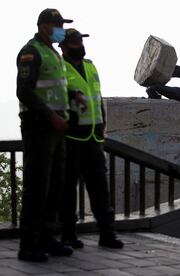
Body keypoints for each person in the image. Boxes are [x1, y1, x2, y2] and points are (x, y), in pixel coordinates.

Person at [16, 8, 85, 262]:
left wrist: (73, 96)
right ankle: (28, 244)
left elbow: (54, 88)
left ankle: (47, 238)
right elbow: (24, 91)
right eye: (57, 25)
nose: (61, 30)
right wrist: (51, 116)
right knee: (37, 186)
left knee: (55, 186)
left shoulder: (54, 54)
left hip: (57, 129)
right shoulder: (30, 52)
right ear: (44, 26)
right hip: (39, 126)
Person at [58, 28, 123, 249]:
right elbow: (55, 95)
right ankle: (68, 234)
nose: (80, 45)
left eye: (80, 41)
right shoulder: (59, 68)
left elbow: (97, 97)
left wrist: (103, 124)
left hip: (94, 136)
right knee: (68, 189)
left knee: (99, 188)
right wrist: (73, 95)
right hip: (71, 137)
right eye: (75, 42)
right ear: (64, 46)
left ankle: (107, 233)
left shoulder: (90, 66)